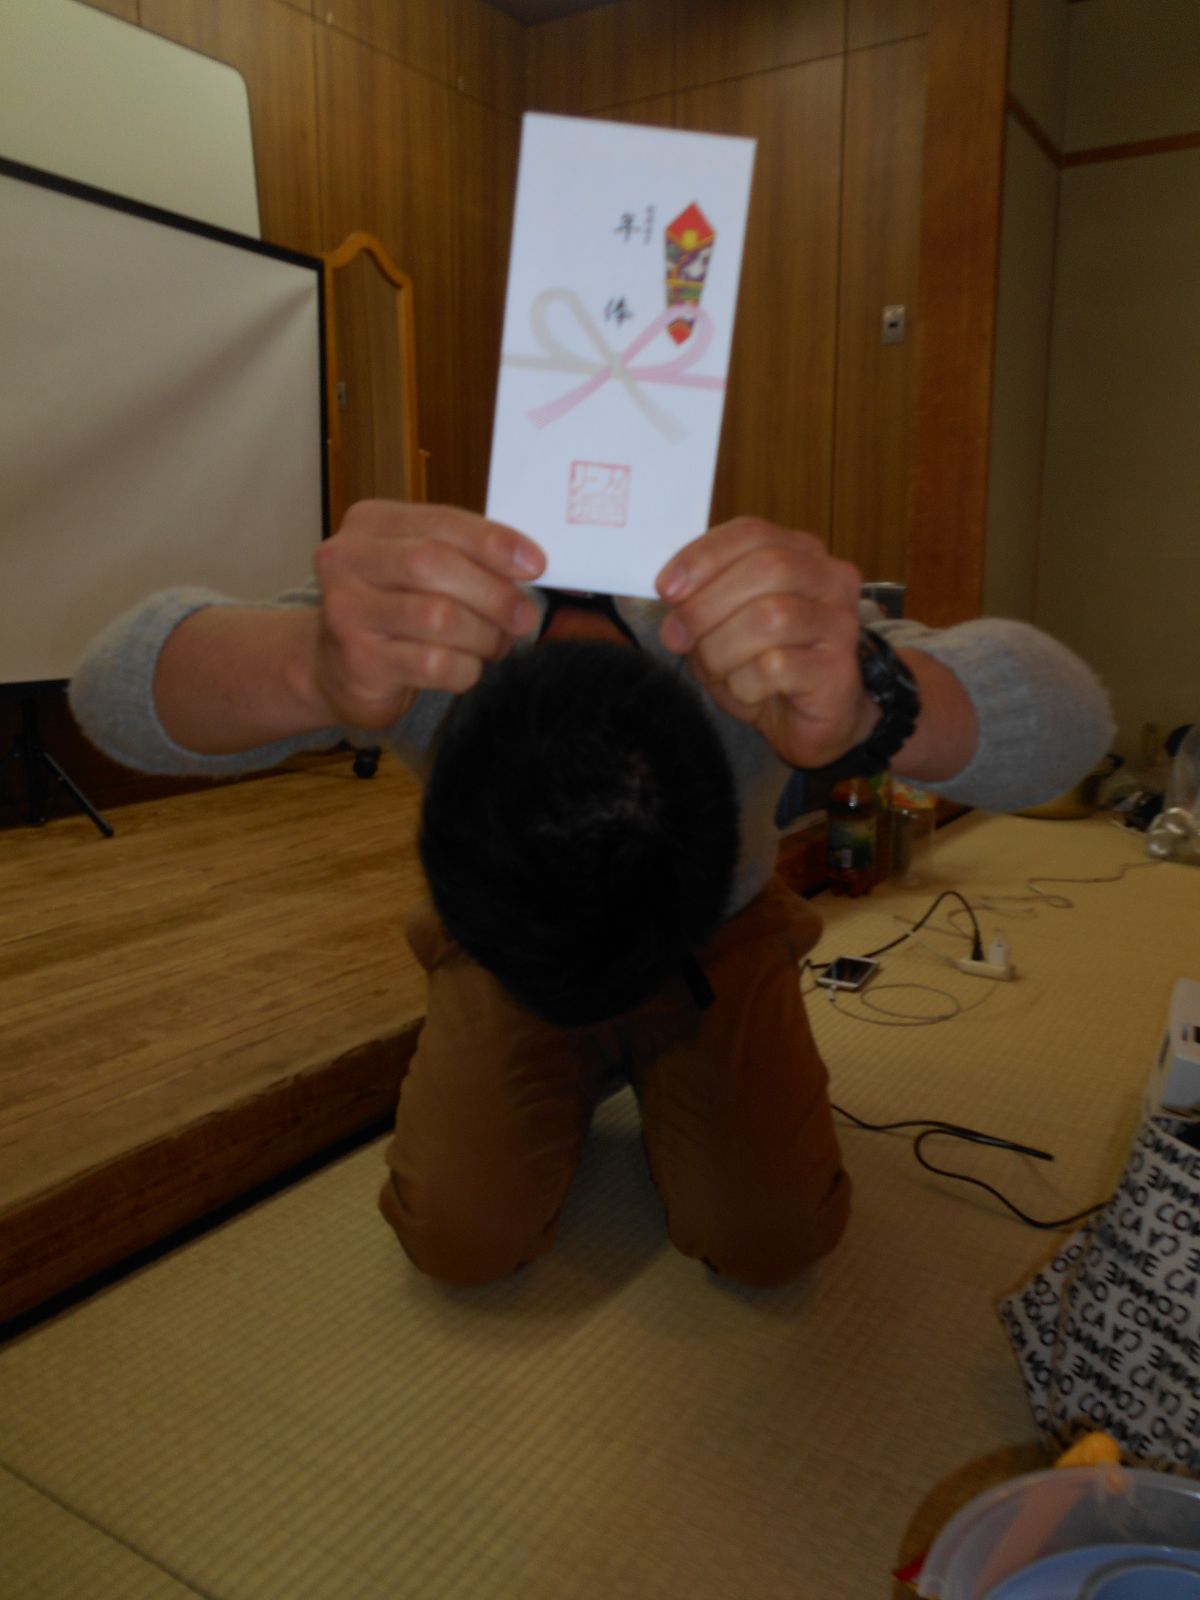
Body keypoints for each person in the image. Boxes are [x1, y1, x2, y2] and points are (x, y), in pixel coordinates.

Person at [70, 502, 1114, 1288]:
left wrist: (874, 700)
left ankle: (651, 1066)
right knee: (459, 1240)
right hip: (511, 949)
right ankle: (574, 1055)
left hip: (715, 943)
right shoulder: (433, 630)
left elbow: (1073, 722)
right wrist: (312, 667)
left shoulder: (726, 630)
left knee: (772, 1239)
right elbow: (111, 689)